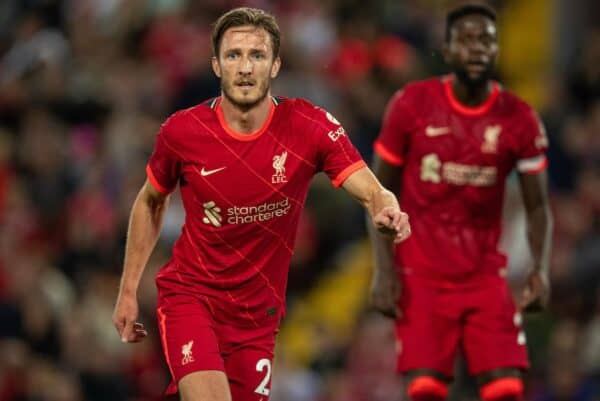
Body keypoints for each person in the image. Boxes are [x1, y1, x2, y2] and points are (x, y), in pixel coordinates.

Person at [112, 7, 411, 401]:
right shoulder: (182, 132)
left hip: (258, 317)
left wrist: (383, 207)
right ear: (216, 65)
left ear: (275, 65)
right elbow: (151, 201)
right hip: (192, 297)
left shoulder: (309, 126)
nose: (246, 67)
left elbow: (370, 186)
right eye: (234, 55)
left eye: (258, 55)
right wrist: (129, 289)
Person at [368, 4, 553, 401]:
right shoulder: (412, 105)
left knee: (506, 388)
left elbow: (538, 205)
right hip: (422, 274)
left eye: (485, 39)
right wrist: (384, 271)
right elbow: (378, 193)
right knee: (425, 390)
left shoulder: (519, 119)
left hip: (485, 274)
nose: (477, 48)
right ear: (447, 51)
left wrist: (539, 268)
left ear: (497, 49)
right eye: (466, 40)